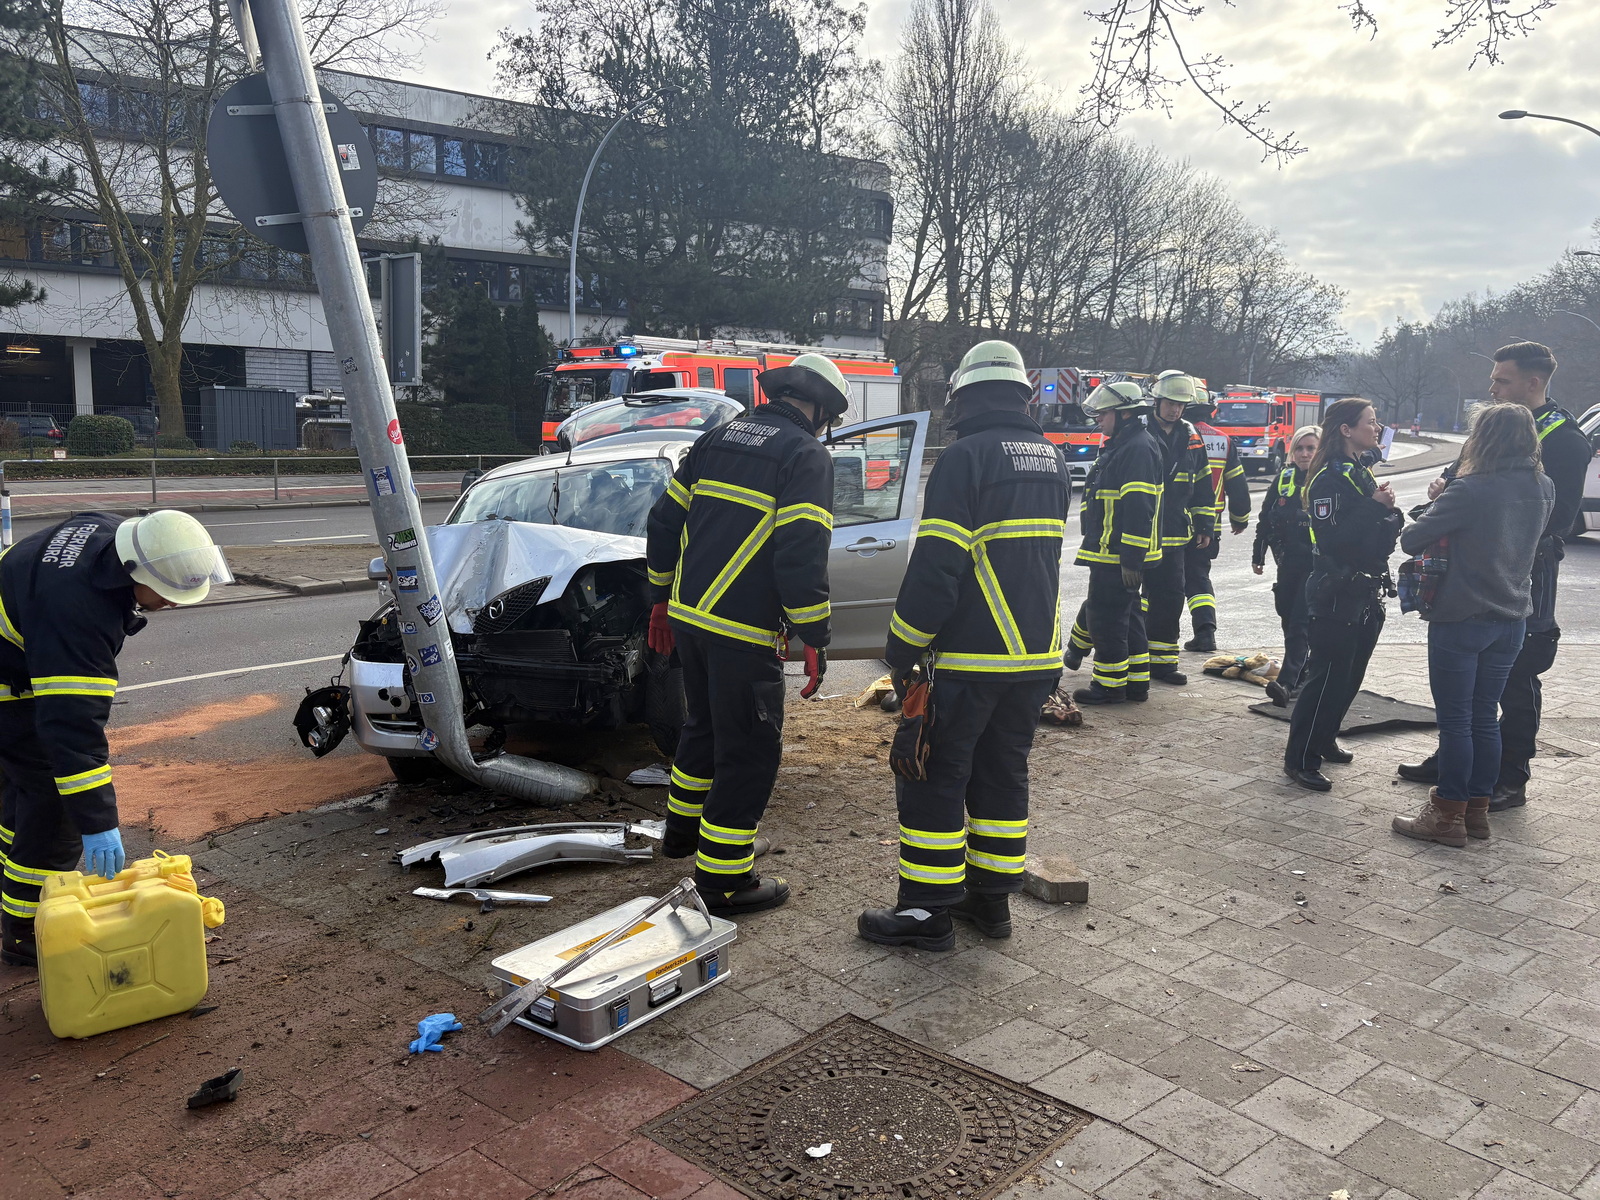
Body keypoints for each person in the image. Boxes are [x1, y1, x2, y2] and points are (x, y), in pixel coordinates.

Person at [857, 340, 1068, 951]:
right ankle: (990, 903)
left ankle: (925, 913)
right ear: (1022, 395)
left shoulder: (966, 458)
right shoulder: (1049, 459)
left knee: (934, 777)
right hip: (1034, 659)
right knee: (1003, 775)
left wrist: (902, 644)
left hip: (972, 658)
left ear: (963, 397)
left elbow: (939, 565)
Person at [645, 352, 845, 916]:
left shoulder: (719, 437)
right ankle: (725, 883)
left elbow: (663, 522)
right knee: (750, 751)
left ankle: (681, 835)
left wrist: (660, 599)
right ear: (822, 408)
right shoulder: (806, 455)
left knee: (703, 726)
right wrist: (814, 636)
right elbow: (802, 553)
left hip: (690, 619)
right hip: (743, 628)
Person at [1, 510, 231, 967]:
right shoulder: (76, 611)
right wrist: (96, 821)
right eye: (166, 595)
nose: (172, 604)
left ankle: (12, 883)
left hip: (16, 660)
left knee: (19, 796)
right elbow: (72, 728)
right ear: (132, 571)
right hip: (11, 686)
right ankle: (26, 934)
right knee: (55, 802)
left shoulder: (112, 533)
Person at [1396, 342, 1589, 810]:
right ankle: (1454, 762)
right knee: (1468, 691)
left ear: (1534, 382)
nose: (1493, 387)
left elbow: (1558, 520)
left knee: (1516, 680)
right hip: (1474, 572)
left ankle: (1510, 777)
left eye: (1502, 380)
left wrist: (1492, 529)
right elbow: (1451, 480)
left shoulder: (1564, 439)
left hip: (1526, 577)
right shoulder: (1492, 430)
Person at [1391, 403, 1553, 847]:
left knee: (1456, 721)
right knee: (1484, 717)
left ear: (1483, 438)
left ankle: (1445, 817)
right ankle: (1476, 813)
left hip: (1462, 617)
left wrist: (1441, 497)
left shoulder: (1471, 489)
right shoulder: (1544, 485)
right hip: (1512, 618)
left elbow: (1411, 538)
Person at [1283, 398, 1402, 792]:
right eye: (1370, 422)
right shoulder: (1329, 478)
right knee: (1327, 678)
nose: (1377, 427)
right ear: (1347, 430)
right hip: (1336, 589)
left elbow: (1380, 529)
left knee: (1350, 676)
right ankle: (1301, 759)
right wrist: (1375, 508)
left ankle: (1324, 737)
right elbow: (1334, 537)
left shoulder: (1358, 471)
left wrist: (1386, 512)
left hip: (1364, 588)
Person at [1064, 381, 1164, 704]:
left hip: (1116, 555)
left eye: (1104, 414)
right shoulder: (1128, 443)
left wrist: (1131, 559)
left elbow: (1139, 506)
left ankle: (1107, 686)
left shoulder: (1135, 448)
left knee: (1105, 620)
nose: (1099, 420)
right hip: (1115, 552)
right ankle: (1136, 684)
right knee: (1130, 618)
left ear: (1123, 414)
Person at [1142, 372, 1211, 685]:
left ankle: (1164, 664)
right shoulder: (1138, 430)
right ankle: (1133, 658)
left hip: (1174, 536)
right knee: (1130, 599)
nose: (1175, 410)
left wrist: (1205, 524)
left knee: (1170, 599)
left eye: (1181, 405)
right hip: (1140, 533)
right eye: (1170, 403)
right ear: (1157, 401)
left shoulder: (1192, 436)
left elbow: (1203, 486)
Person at [1253, 426, 1319, 705]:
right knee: (1288, 617)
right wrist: (1259, 554)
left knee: (1300, 624)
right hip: (1288, 561)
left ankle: (1287, 682)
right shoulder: (1285, 477)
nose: (1304, 454)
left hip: (1317, 563)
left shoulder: (1328, 479)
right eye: (1300, 448)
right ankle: (1304, 674)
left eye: (1311, 448)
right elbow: (1266, 518)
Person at [1183, 389, 1253, 652]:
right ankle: (1205, 634)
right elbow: (1237, 484)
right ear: (1210, 411)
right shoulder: (1223, 441)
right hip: (1209, 528)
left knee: (1162, 581)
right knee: (1199, 578)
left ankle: (1147, 634)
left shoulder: (1178, 435)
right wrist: (1240, 518)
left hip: (1173, 526)